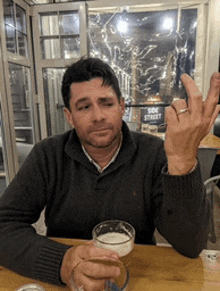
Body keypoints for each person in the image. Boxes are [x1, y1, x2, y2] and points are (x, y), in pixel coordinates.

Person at [0, 57, 219, 291]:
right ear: (69, 116)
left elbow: (191, 245)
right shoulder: (48, 155)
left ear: (122, 106)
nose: (98, 116)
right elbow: (4, 225)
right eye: (84, 107)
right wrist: (62, 262)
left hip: (137, 277)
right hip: (64, 283)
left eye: (106, 103)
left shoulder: (154, 153)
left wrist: (182, 160)